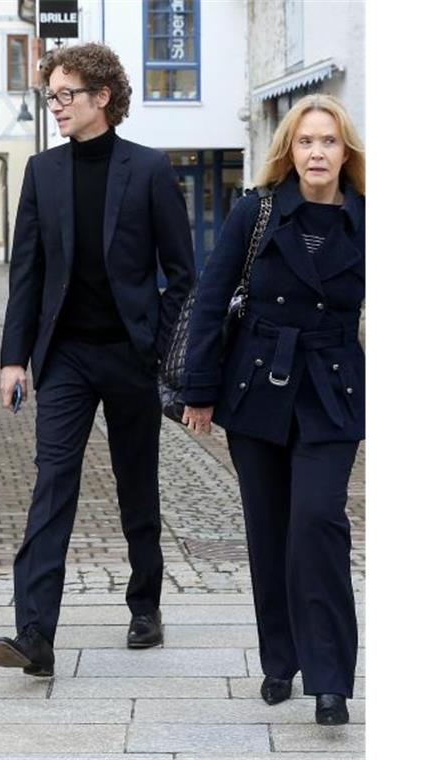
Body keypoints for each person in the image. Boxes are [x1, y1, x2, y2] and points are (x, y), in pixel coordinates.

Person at [0, 43, 196, 677]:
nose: (54, 106)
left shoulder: (149, 169)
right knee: (53, 483)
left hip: (130, 356)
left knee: (138, 484)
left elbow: (183, 274)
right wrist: (13, 357)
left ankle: (144, 605)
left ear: (101, 97)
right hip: (67, 358)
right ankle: (35, 634)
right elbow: (26, 270)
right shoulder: (43, 172)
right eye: (49, 96)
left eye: (64, 95)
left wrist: (156, 345)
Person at [182, 94, 365, 726]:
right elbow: (209, 303)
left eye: (330, 141)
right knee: (269, 529)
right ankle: (280, 660)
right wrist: (198, 392)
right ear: (289, 150)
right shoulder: (254, 212)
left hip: (332, 390)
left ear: (347, 152)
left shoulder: (371, 220)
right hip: (257, 386)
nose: (318, 152)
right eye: (307, 141)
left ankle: (332, 678)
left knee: (318, 521)